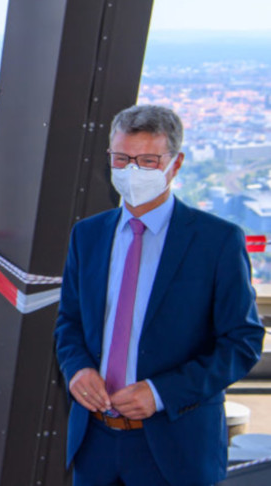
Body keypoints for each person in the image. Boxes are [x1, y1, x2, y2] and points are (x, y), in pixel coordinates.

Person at [54, 104, 264, 486]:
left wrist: (161, 392)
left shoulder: (216, 241)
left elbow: (243, 342)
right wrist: (77, 369)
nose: (132, 171)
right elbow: (68, 320)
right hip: (94, 444)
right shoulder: (88, 235)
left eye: (147, 161)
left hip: (176, 444)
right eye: (122, 159)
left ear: (176, 164)